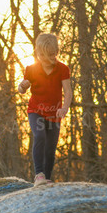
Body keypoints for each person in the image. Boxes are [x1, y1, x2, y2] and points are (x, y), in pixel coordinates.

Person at [18, 32, 72, 185]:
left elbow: (68, 91)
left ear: (55, 53)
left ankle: (47, 179)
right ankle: (39, 175)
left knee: (50, 148)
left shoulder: (62, 69)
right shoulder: (31, 69)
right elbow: (21, 89)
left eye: (47, 55)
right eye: (40, 54)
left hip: (54, 113)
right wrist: (22, 86)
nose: (42, 58)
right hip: (36, 111)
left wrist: (65, 108)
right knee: (40, 136)